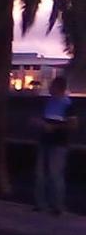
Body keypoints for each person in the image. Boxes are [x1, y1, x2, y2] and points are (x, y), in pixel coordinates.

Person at [33, 77, 78, 215]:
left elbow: (73, 125)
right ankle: (41, 204)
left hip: (58, 143)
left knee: (55, 174)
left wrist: (52, 127)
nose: (50, 88)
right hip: (45, 141)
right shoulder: (48, 102)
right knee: (40, 174)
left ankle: (57, 205)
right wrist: (38, 123)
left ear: (59, 88)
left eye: (53, 86)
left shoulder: (68, 105)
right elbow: (42, 118)